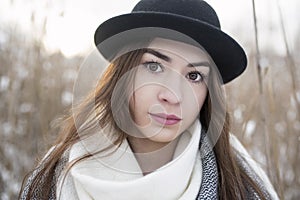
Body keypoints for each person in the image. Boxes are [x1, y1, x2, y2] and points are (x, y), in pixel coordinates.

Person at [19, 0, 279, 199]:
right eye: (154, 66)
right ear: (123, 74)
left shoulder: (240, 186)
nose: (173, 95)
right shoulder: (52, 179)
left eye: (194, 75)